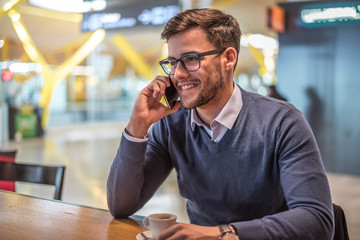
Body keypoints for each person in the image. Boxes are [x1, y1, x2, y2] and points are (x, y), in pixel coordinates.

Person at [107, 8, 334, 240]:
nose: (178, 74)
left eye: (190, 60)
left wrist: (224, 233)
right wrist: (138, 125)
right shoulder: (170, 125)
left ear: (229, 58)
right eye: (173, 63)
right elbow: (121, 206)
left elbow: (316, 219)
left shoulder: (283, 122)